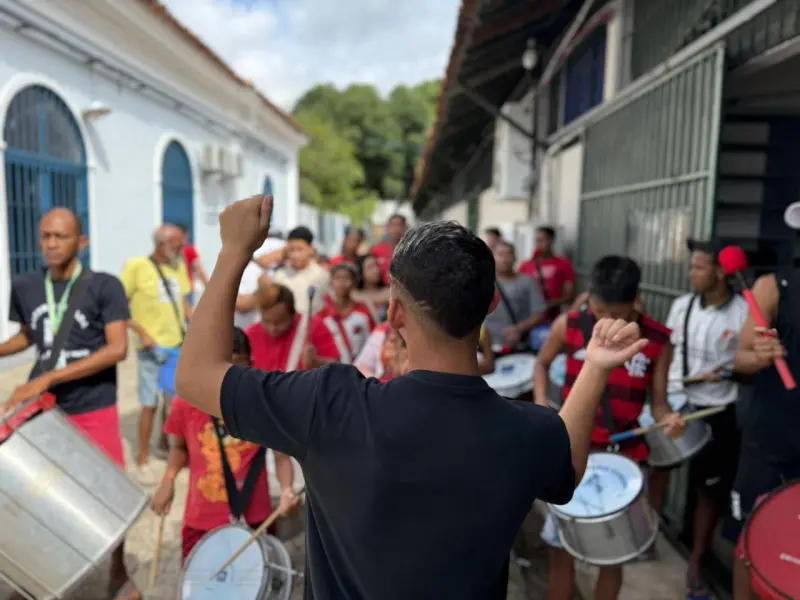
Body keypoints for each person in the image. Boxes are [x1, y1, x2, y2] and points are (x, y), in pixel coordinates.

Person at [174, 193, 656, 600]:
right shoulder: (526, 432)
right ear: (491, 304)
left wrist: (234, 250)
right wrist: (595, 367)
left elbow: (195, 375)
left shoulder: (330, 404)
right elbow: (568, 465)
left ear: (395, 314)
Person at [0, 208, 140, 600]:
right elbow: (31, 335)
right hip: (42, 407)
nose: (51, 244)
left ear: (81, 242)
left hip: (92, 402)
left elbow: (117, 348)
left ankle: (117, 572)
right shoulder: (25, 285)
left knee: (108, 494)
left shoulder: (105, 286)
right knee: (31, 491)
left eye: (60, 236)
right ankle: (38, 577)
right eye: (45, 236)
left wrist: (50, 377)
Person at [533, 255, 685, 600]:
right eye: (599, 311)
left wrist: (668, 419)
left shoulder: (657, 340)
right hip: (572, 453)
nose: (605, 322)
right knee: (560, 550)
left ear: (635, 301)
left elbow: (659, 404)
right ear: (589, 298)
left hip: (623, 459)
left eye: (616, 314)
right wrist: (541, 402)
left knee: (613, 557)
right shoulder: (569, 325)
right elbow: (542, 363)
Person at [150, 327, 300, 561]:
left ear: (250, 365)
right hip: (202, 520)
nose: (230, 382)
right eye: (222, 374)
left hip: (255, 519)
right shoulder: (186, 402)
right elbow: (179, 447)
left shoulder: (263, 404)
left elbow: (281, 457)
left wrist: (286, 489)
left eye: (237, 372)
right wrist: (168, 482)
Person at [664, 239, 749, 599]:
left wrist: (730, 371)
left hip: (716, 411)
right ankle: (654, 535)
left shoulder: (743, 312)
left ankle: (697, 560)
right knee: (658, 468)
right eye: (692, 266)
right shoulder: (682, 306)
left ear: (720, 272)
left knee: (708, 491)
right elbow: (668, 353)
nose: (691, 273)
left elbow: (753, 360)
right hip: (677, 405)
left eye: (698, 267)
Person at [727, 224, 800, 599]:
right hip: (772, 434)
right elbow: (739, 357)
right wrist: (760, 355)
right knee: (750, 540)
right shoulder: (773, 286)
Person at [121, 224, 192, 483]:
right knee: (149, 403)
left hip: (176, 345)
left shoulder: (178, 266)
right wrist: (141, 332)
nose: (182, 249)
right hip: (150, 348)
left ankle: (166, 445)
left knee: (174, 401)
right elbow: (119, 307)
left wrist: (195, 326)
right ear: (162, 244)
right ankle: (142, 458)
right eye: (178, 244)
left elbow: (183, 302)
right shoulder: (136, 267)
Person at [246, 282, 341, 372]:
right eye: (267, 321)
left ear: (293, 314)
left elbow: (338, 368)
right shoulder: (251, 334)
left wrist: (316, 361)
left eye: (280, 322)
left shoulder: (313, 327)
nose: (273, 328)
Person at [485, 241, 547, 353]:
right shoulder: (482, 282)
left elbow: (539, 313)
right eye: (500, 254)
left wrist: (519, 328)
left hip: (517, 345)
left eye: (508, 254)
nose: (505, 259)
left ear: (515, 258)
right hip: (485, 345)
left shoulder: (527, 282)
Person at [519, 226, 576, 348]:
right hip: (528, 320)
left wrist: (549, 304)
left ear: (551, 241)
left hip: (552, 320)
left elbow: (569, 295)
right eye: (537, 240)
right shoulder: (526, 265)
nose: (539, 244)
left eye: (542, 240)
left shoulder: (564, 264)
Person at [317, 263, 375, 362]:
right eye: (337, 278)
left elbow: (373, 342)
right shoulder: (322, 315)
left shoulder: (363, 311)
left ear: (354, 283)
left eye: (346, 278)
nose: (341, 282)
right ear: (331, 283)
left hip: (360, 367)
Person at [270, 226, 330, 316]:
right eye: (291, 250)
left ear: (311, 249)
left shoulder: (322, 276)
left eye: (299, 249)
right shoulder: (279, 275)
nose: (295, 255)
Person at [233, 236, 287, 330]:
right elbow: (240, 305)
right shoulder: (244, 270)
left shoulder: (284, 271)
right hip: (246, 331)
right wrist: (264, 291)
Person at [175, 223, 209, 302]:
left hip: (174, 290)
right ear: (185, 235)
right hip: (187, 288)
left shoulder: (168, 253)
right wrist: (209, 288)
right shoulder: (189, 250)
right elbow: (200, 270)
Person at [371, 213, 408, 282]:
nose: (396, 228)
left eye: (400, 225)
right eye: (393, 225)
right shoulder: (376, 250)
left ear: (405, 228)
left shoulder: (412, 251)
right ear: (387, 228)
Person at [353, 254, 390, 323]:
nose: (376, 270)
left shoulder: (390, 292)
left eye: (377, 265)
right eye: (370, 267)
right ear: (361, 272)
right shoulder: (354, 295)